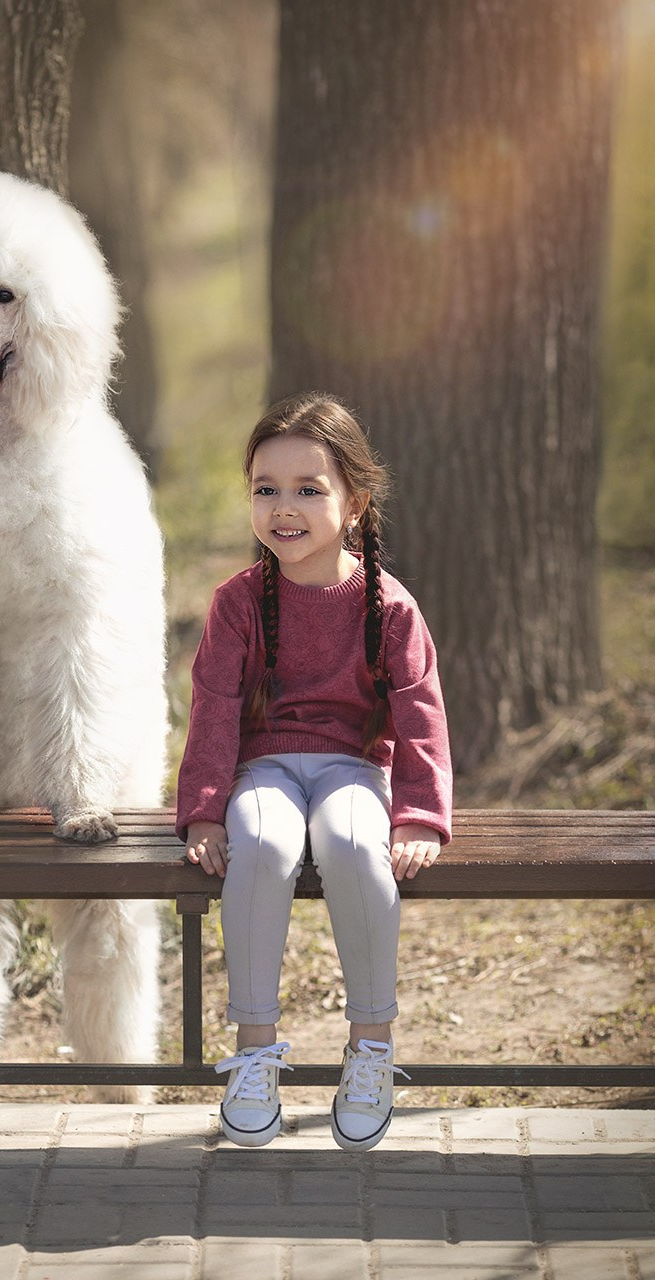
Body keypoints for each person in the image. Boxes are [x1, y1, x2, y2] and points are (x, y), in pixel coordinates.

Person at [176, 391, 453, 1151]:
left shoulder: (388, 607)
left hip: (352, 770)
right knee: (262, 845)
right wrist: (204, 809)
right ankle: (254, 1053)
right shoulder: (236, 603)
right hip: (262, 770)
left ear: (354, 503)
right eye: (265, 488)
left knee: (356, 847)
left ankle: (370, 1047)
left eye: (308, 489)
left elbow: (420, 717)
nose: (283, 508)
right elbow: (214, 708)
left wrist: (420, 817)